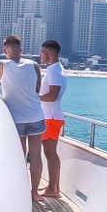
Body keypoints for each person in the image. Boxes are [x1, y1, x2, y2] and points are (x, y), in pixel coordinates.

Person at [0, 35, 45, 202]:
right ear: (21, 50)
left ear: (4, 51)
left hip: (16, 119)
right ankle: (35, 193)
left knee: (19, 157)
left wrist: (0, 82)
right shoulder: (34, 65)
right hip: (36, 115)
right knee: (36, 156)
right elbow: (37, 89)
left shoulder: (1, 65)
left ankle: (19, 193)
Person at [39, 40, 67, 198]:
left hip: (51, 117)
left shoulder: (55, 72)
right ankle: (53, 187)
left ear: (48, 53)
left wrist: (34, 98)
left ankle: (53, 188)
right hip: (52, 116)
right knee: (50, 153)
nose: (40, 55)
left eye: (42, 52)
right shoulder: (56, 70)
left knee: (50, 153)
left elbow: (52, 96)